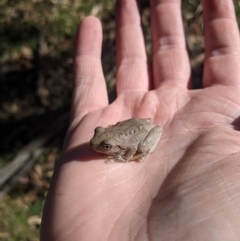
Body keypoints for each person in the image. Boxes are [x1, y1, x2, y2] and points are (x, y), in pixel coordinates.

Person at [40, 0, 240, 240]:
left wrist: (124, 156)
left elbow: (133, 146)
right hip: (135, 125)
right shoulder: (104, 137)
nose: (96, 144)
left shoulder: (120, 146)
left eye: (104, 146)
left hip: (143, 132)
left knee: (142, 147)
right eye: (100, 139)